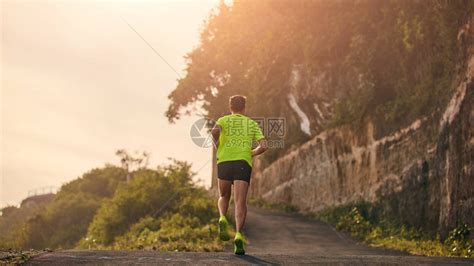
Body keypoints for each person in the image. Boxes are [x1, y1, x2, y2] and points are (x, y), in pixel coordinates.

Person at [211, 95, 268, 255]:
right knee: (240, 201)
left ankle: (222, 217)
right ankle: (238, 235)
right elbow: (264, 146)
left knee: (223, 195)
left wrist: (218, 145)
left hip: (224, 160)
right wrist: (251, 153)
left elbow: (214, 131)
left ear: (231, 107)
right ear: (244, 108)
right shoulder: (251, 123)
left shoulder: (223, 120)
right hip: (243, 162)